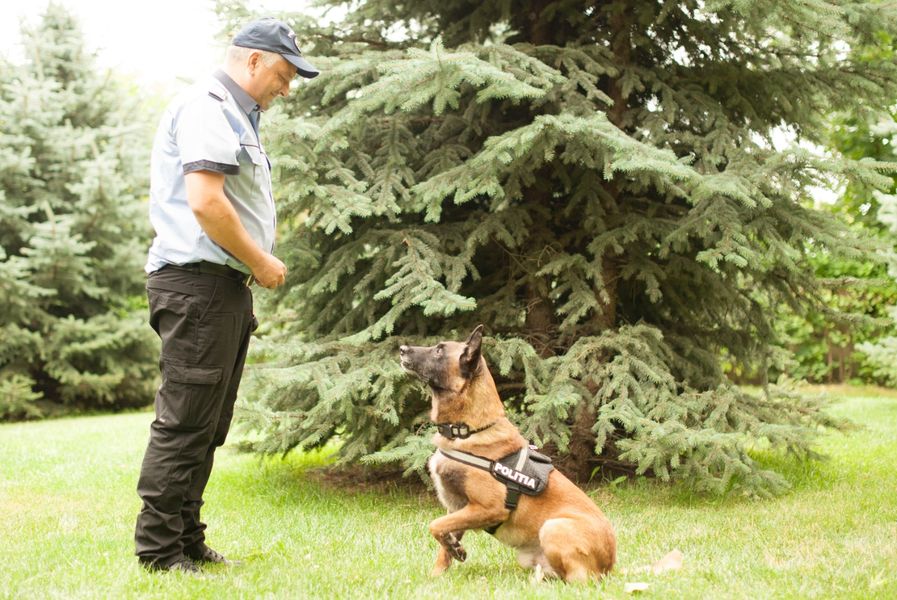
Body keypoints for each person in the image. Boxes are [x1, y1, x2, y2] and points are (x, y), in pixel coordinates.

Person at [134, 18, 319, 573]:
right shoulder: (208, 107)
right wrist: (260, 260)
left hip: (219, 289)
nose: (287, 88)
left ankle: (187, 538)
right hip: (196, 286)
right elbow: (206, 202)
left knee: (210, 423)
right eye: (284, 75)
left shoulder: (237, 115)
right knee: (185, 420)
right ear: (254, 60)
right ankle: (159, 551)